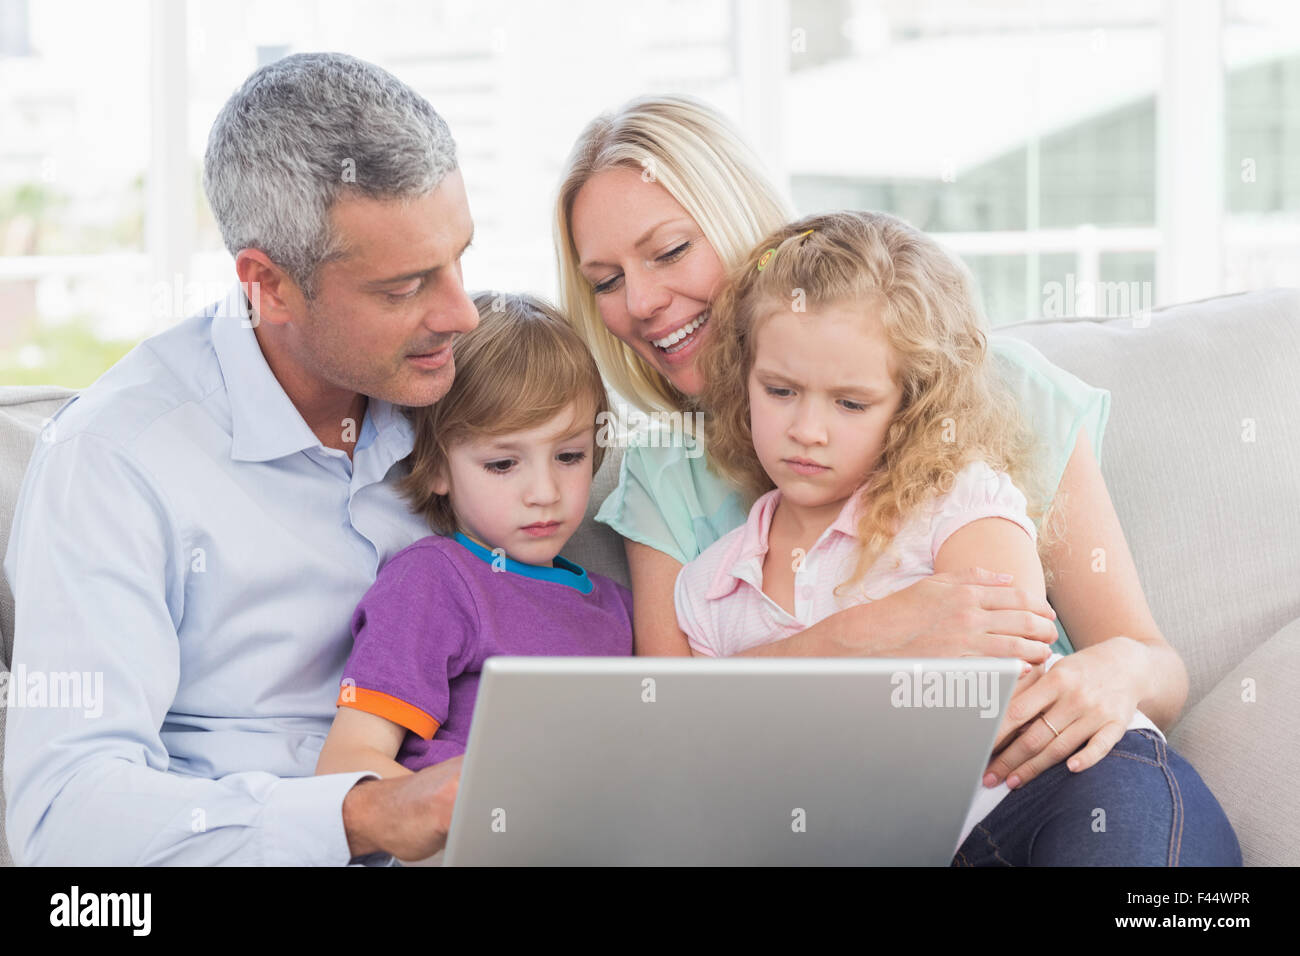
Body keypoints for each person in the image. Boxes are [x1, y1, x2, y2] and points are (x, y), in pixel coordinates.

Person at [555, 95, 1241, 864]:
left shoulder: (991, 404)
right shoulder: (665, 481)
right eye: (605, 280)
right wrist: (868, 636)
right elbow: (672, 737)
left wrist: (1114, 671)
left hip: (1062, 782)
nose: (640, 302)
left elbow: (1139, 662)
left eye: (670, 251)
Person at [3, 53, 474, 865]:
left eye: (461, 256)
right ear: (269, 285)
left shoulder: (470, 405)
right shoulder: (114, 459)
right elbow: (64, 817)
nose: (461, 313)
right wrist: (358, 818)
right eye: (404, 287)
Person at [676, 209, 1235, 861]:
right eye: (780, 390)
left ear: (911, 406)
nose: (807, 429)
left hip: (1079, 784)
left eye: (850, 403)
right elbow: (704, 762)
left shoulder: (959, 503)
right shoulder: (707, 589)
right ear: (742, 377)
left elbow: (989, 692)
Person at [314, 292, 632, 784]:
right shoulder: (432, 582)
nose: (545, 493)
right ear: (437, 468)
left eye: (569, 456)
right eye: (503, 464)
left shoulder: (619, 607)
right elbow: (347, 763)